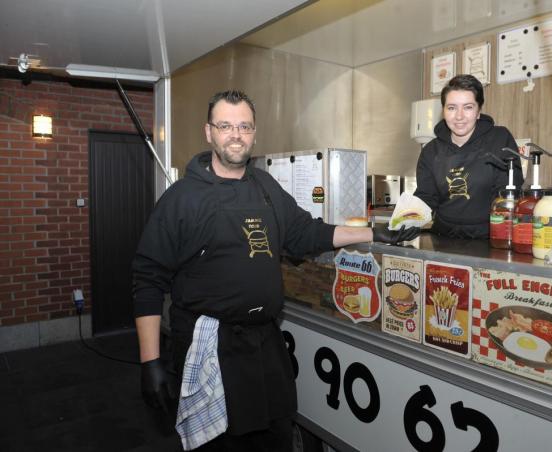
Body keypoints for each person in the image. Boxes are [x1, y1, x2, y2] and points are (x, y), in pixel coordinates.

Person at [131, 90, 419, 451]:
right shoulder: (182, 199)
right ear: (209, 132)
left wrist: (371, 233)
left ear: (253, 133)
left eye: (244, 126)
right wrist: (150, 361)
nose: (236, 134)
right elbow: (147, 278)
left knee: (277, 436)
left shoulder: (265, 187)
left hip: (265, 343)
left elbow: (306, 233)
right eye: (225, 126)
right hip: (211, 346)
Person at [414, 74, 524, 239]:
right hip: (443, 238)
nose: (459, 116)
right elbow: (426, 197)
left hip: (491, 237)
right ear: (443, 111)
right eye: (451, 107)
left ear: (479, 111)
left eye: (468, 107)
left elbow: (508, 191)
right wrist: (402, 222)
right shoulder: (431, 151)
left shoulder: (500, 138)